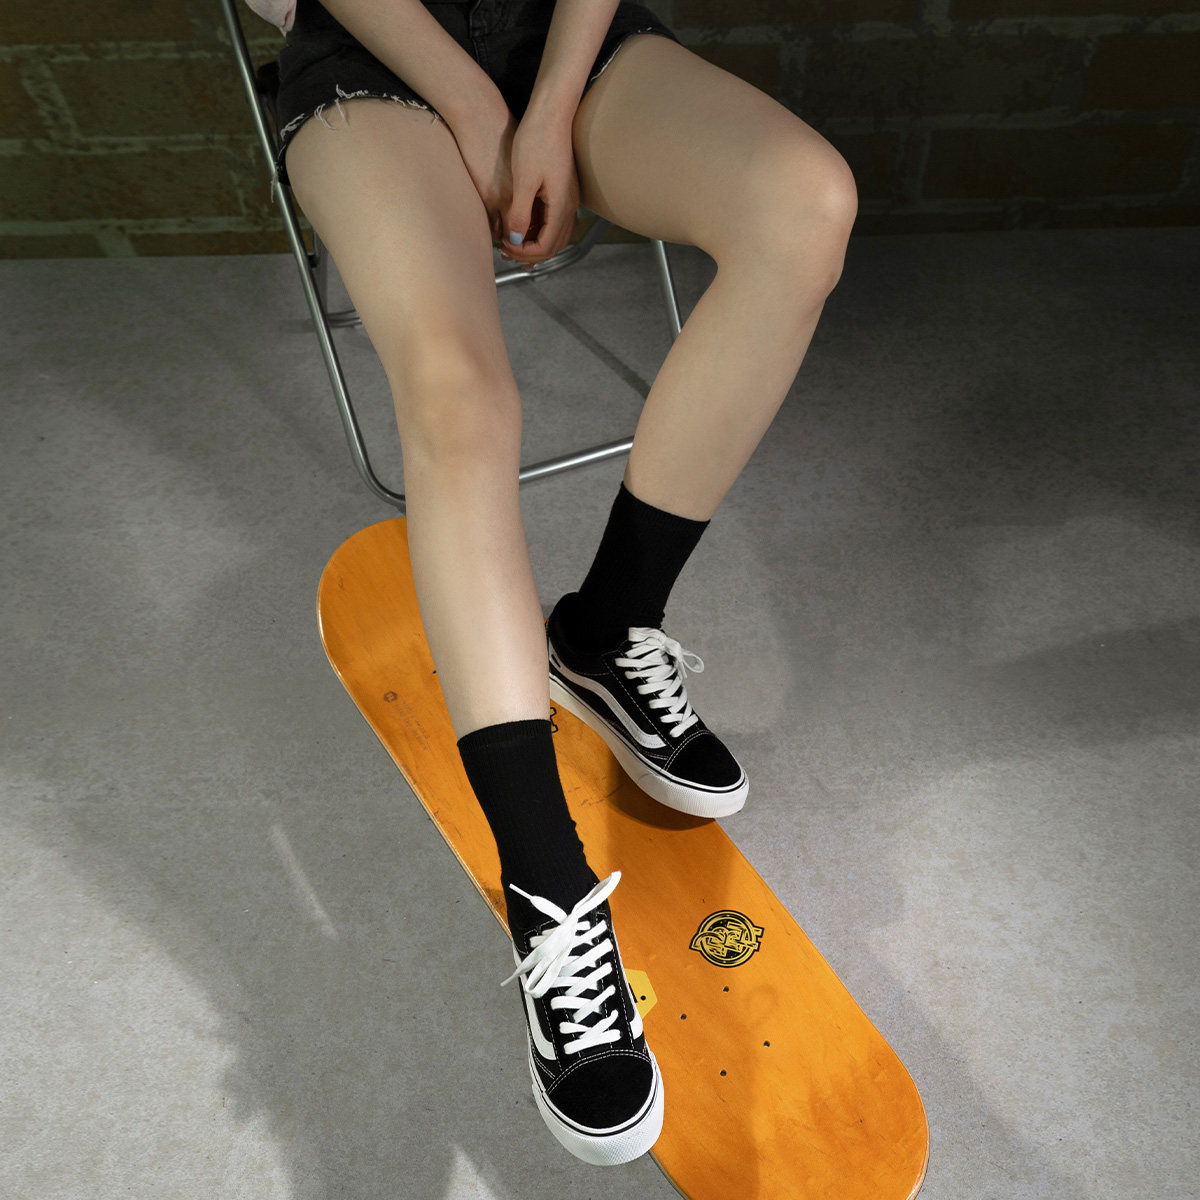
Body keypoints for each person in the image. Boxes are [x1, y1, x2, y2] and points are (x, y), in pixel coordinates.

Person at [244, 0, 858, 1167]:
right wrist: (476, 104)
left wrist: (551, 100)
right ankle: (546, 887)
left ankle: (605, 630)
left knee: (806, 202)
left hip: (562, 33)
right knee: (460, 398)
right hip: (378, 52)